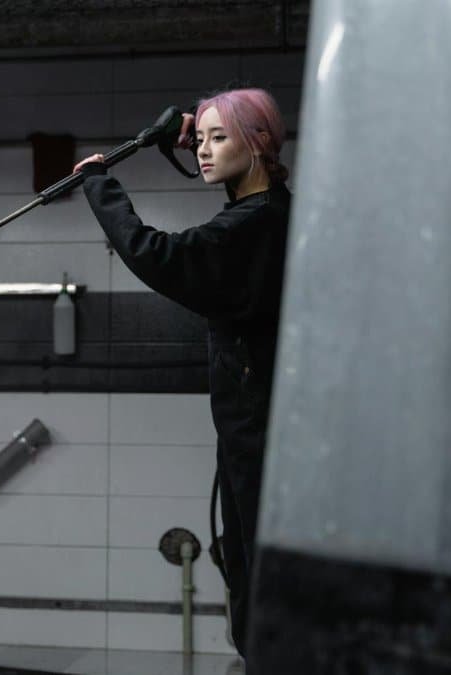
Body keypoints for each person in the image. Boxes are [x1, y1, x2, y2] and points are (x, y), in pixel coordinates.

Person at [74, 88, 291, 661]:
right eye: (200, 140)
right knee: (251, 565)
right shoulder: (271, 212)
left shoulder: (250, 226)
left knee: (258, 576)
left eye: (219, 139)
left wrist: (100, 183)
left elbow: (158, 255)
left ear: (262, 143)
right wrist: (201, 130)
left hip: (258, 429)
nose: (203, 150)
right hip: (256, 426)